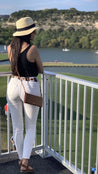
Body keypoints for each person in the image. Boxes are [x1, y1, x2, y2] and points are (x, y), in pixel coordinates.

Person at [7, 17, 43, 173]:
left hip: (13, 85)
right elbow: (40, 69)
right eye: (33, 30)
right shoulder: (32, 49)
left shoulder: (10, 48)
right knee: (31, 127)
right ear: (30, 33)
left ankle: (21, 159)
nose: (35, 33)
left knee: (18, 127)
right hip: (29, 86)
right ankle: (25, 163)